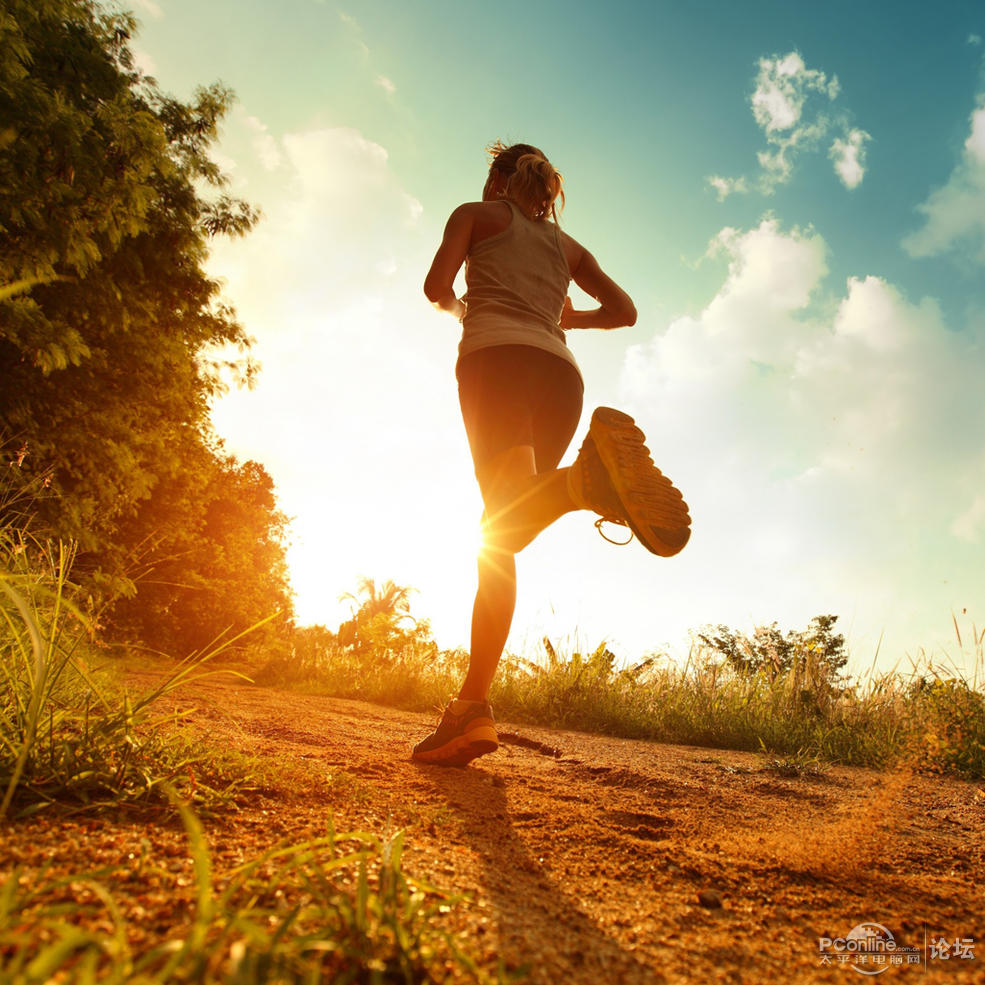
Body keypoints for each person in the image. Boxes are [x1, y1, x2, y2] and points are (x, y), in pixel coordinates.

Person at [413, 142, 690, 767]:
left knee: (502, 525)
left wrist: (464, 309)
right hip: (561, 378)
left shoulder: (476, 216)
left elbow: (435, 287)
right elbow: (624, 312)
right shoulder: (569, 248)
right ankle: (471, 709)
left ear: (495, 179)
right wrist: (568, 320)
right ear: (545, 188)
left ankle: (580, 485)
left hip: (496, 361)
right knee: (504, 530)